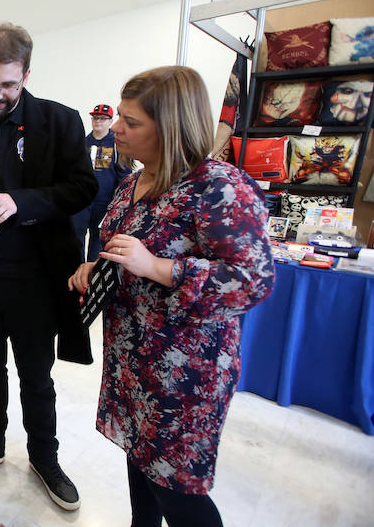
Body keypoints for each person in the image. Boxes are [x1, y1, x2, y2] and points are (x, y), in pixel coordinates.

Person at [68, 66, 275, 527]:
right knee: (141, 465)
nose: (117, 128)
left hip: (184, 376)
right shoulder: (131, 183)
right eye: (119, 117)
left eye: (132, 122)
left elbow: (253, 279)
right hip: (132, 359)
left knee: (178, 492)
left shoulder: (218, 188)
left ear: (171, 127)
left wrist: (160, 267)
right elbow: (125, 252)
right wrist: (96, 267)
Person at [0, 22, 97, 511]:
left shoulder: (60, 121)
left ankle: (44, 458)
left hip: (35, 281)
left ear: (26, 75)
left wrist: (21, 200)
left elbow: (82, 188)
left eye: (8, 84)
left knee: (36, 375)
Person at [72, 103, 132, 261]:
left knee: (98, 238)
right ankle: (77, 271)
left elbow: (124, 174)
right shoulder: (82, 143)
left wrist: (119, 201)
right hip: (83, 200)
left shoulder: (117, 145)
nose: (98, 121)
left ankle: (93, 274)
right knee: (77, 235)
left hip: (105, 201)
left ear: (110, 121)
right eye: (95, 118)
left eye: (103, 118)